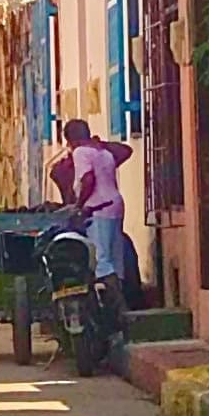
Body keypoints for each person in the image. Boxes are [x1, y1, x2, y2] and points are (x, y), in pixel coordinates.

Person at [53, 116, 134, 290]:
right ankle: (118, 297)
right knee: (115, 257)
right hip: (115, 204)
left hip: (98, 208)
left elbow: (88, 180)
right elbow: (124, 151)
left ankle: (116, 305)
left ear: (71, 140)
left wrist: (79, 205)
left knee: (101, 259)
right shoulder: (104, 152)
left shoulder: (81, 152)